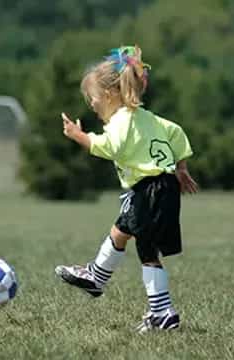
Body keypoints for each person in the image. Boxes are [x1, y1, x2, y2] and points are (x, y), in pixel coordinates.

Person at [55, 45, 198, 332]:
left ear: (109, 94)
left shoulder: (122, 120)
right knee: (122, 230)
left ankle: (162, 312)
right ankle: (96, 277)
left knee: (146, 251)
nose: (91, 105)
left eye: (92, 98)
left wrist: (79, 136)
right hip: (162, 187)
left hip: (150, 190)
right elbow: (176, 133)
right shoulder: (146, 118)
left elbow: (109, 147)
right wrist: (181, 168)